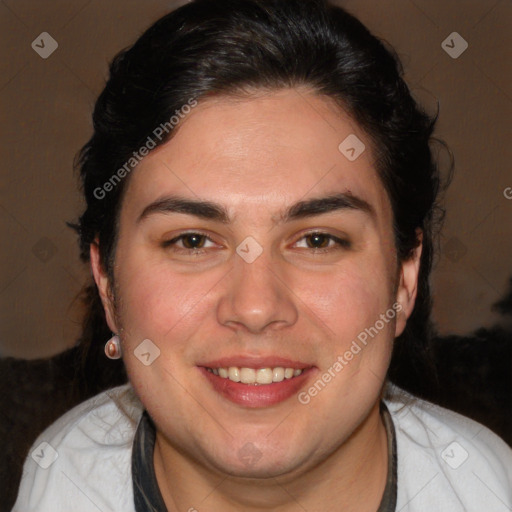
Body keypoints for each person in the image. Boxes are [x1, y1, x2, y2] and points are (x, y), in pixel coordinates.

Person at [12, 0, 512, 511]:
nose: (255, 308)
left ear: (405, 278)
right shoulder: (60, 480)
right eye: (192, 241)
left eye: (318, 240)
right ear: (108, 285)